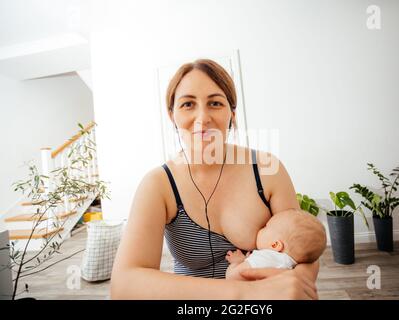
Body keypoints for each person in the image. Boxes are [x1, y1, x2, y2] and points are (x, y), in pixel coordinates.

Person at [110, 58, 323, 299]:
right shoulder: (158, 184)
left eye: (215, 103)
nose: (203, 118)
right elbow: (125, 285)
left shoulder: (267, 169)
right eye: (188, 104)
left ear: (232, 114)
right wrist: (243, 293)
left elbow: (304, 251)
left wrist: (299, 281)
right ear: (172, 116)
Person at [225, 208, 327, 281]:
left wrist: (237, 263)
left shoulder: (265, 258)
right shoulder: (288, 265)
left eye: (265, 227)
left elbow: (232, 277)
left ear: (275, 245)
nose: (261, 228)